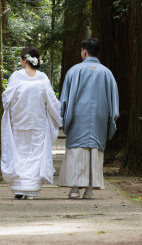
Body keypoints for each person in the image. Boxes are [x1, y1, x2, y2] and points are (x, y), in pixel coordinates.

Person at [57, 37, 119, 200]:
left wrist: (63, 117)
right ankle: (90, 190)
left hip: (78, 118)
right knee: (94, 150)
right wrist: (110, 119)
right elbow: (114, 103)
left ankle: (75, 189)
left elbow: (64, 100)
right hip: (99, 118)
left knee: (78, 150)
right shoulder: (107, 73)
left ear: (84, 52)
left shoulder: (74, 71)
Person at [0, 46, 62, 200]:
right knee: (35, 154)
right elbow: (52, 101)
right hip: (36, 121)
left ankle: (21, 187)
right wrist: (59, 117)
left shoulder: (17, 76)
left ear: (25, 60)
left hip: (20, 121)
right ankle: (30, 188)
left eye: (21, 59)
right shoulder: (42, 78)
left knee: (20, 153)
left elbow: (7, 98)